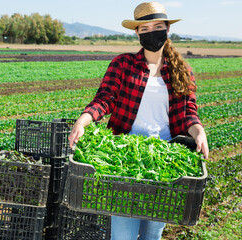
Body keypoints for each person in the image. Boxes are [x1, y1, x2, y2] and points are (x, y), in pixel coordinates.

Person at [68, 2, 209, 240]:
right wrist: (82, 121)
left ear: (167, 29)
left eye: (157, 26)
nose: (151, 32)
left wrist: (199, 133)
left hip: (166, 159)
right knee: (122, 235)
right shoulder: (123, 64)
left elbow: (189, 113)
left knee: (152, 234)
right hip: (124, 158)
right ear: (137, 33)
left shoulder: (181, 70)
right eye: (145, 28)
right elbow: (105, 99)